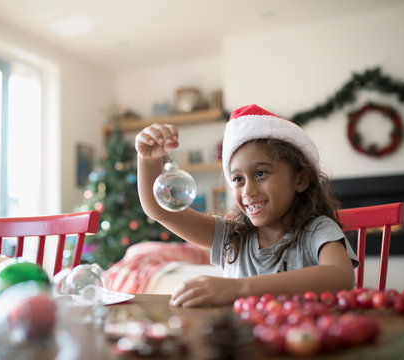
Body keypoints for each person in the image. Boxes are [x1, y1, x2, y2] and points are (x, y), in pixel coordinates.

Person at [135, 104, 358, 308]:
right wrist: (147, 158)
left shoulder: (317, 230)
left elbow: (340, 276)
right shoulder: (231, 237)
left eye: (260, 173)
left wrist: (240, 289)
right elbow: (159, 209)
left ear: (301, 180)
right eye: (238, 179)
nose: (248, 191)